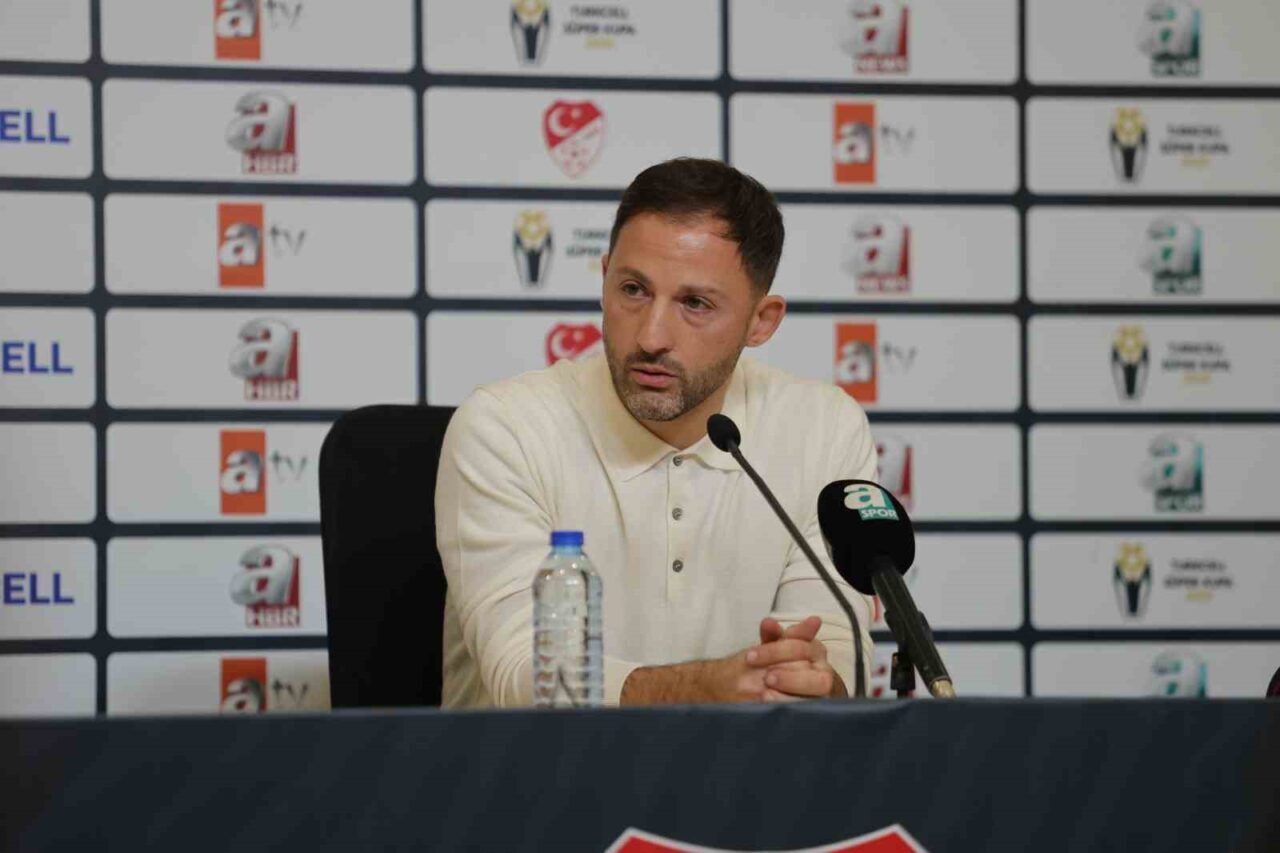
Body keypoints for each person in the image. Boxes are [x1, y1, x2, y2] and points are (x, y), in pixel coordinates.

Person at [435, 158, 876, 708]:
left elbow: (833, 650)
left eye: (695, 304)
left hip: (745, 762)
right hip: (538, 764)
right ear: (604, 280)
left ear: (761, 322)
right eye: (634, 290)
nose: (651, 337)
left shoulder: (825, 428)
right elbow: (526, 676)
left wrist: (814, 679)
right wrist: (706, 690)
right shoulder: (506, 427)